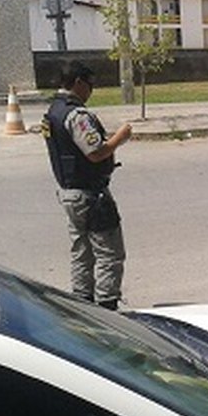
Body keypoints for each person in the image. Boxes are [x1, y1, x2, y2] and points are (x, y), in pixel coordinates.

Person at [42, 61, 132, 310]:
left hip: (70, 192)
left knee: (81, 253)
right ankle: (106, 307)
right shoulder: (76, 115)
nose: (91, 91)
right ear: (79, 83)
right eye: (90, 85)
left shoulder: (54, 111)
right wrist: (119, 138)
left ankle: (82, 306)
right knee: (109, 254)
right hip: (90, 195)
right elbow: (95, 152)